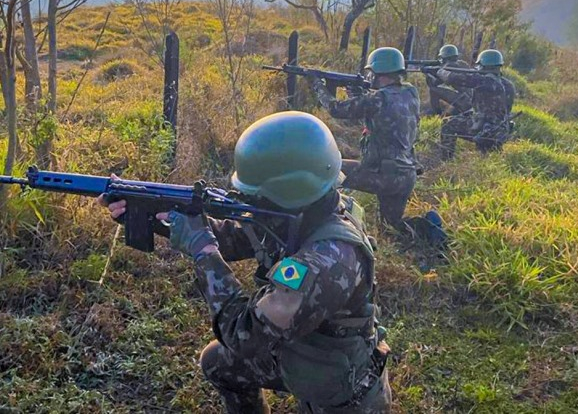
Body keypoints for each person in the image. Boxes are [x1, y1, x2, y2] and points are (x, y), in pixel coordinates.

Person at [98, 111, 392, 414]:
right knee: (218, 363)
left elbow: (244, 334)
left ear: (285, 194)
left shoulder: (328, 260)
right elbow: (240, 238)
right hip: (305, 351)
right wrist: (156, 216)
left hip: (340, 393)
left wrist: (203, 251)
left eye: (255, 198)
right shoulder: (311, 210)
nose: (248, 204)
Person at [310, 47, 420, 232]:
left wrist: (318, 87)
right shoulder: (410, 93)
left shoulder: (377, 98)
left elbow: (336, 109)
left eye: (370, 73)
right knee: (391, 228)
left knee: (328, 169)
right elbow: (381, 117)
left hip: (385, 176)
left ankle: (324, 224)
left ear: (377, 73)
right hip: (406, 176)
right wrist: (358, 95)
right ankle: (427, 228)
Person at [435, 49, 516, 159]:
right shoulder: (508, 84)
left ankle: (446, 160)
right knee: (488, 156)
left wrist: (440, 72)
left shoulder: (486, 81)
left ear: (484, 65)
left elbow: (456, 79)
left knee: (448, 124)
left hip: (487, 129)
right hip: (501, 128)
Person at [426, 44, 472, 116]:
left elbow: (435, 83)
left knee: (433, 90)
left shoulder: (448, 66)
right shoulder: (463, 64)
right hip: (469, 98)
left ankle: (437, 114)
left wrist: (428, 73)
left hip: (464, 100)